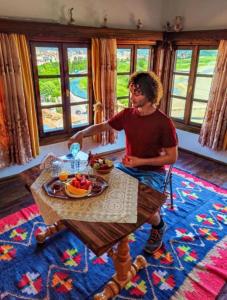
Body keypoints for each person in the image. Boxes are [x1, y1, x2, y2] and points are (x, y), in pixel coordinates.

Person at [68, 71, 178, 254]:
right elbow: (103, 126)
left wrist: (140, 161)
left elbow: (172, 157)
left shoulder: (164, 123)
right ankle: (115, 229)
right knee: (101, 187)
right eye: (131, 91)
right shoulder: (127, 114)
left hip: (153, 172)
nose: (131, 96)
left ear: (150, 95)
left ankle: (159, 227)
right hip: (129, 168)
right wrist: (81, 133)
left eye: (137, 92)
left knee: (146, 209)